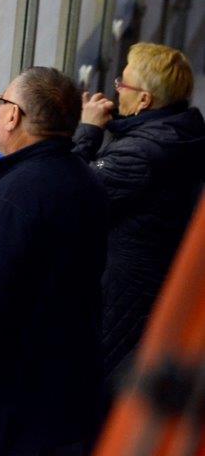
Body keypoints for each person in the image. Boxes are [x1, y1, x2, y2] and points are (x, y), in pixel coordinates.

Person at [0, 67, 108, 455]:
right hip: (64, 403)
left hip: (7, 418)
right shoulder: (84, 180)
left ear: (12, 115)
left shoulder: (10, 199)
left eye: (2, 102)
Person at [72, 42, 205, 397]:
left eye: (122, 83)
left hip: (123, 303)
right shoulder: (182, 134)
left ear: (144, 100)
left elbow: (68, 195)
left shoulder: (142, 154)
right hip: (149, 292)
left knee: (96, 397)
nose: (116, 89)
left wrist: (88, 131)